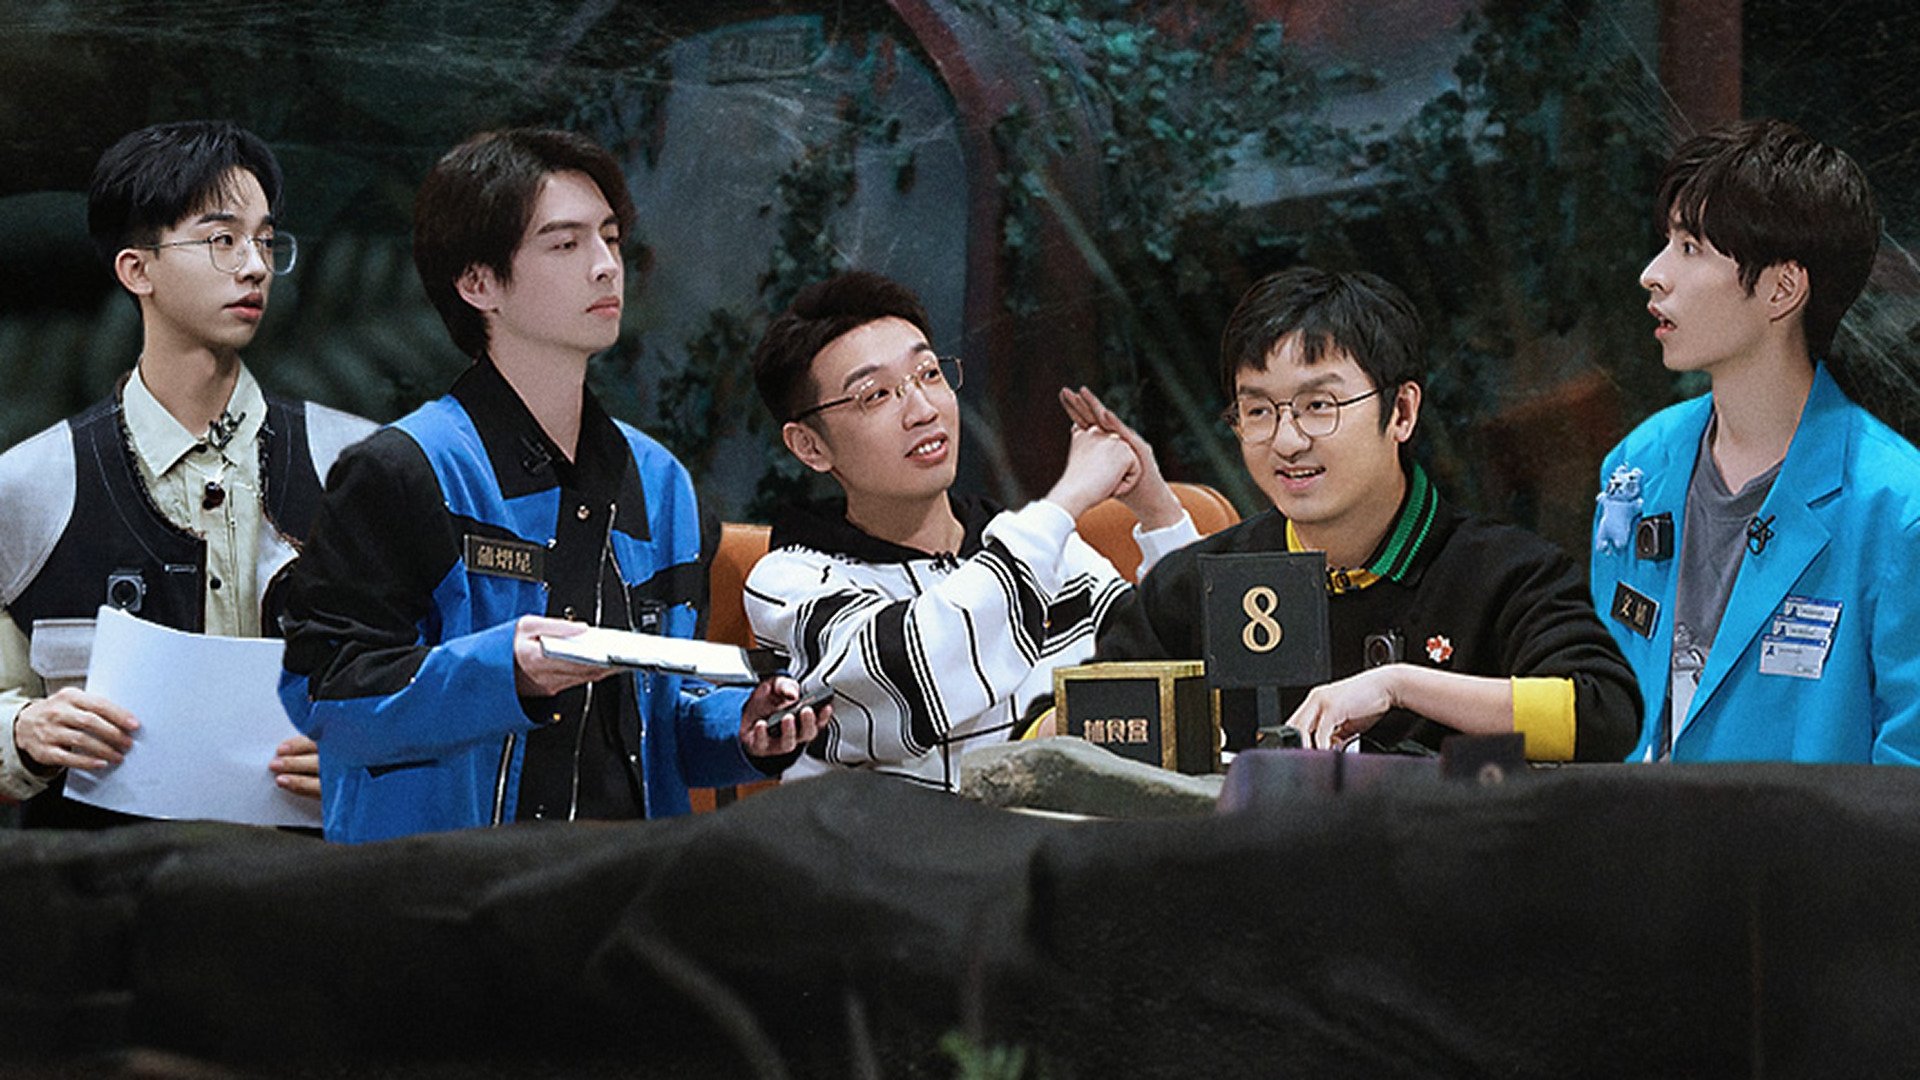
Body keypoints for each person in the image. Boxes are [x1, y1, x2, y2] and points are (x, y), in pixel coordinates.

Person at [277, 129, 823, 843]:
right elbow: (326, 695)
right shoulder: (403, 470)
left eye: (610, 238)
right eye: (565, 244)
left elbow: (665, 717)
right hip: (446, 885)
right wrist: (503, 671)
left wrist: (741, 727)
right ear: (479, 284)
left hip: (620, 879)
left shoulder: (659, 483)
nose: (605, 266)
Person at [1098, 267, 1640, 760]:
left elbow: (1604, 716)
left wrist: (1399, 686)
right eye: (1258, 411)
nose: (1287, 441)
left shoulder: (1504, 572)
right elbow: (1077, 732)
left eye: (1318, 406)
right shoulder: (1197, 583)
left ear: (1401, 411)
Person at [0, 120, 374, 826]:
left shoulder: (358, 467)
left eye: (266, 241)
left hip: (313, 881)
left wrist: (375, 760)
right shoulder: (30, 487)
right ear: (136, 270)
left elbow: (438, 688)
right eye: (222, 240)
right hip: (108, 883)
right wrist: (22, 731)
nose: (255, 266)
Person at [742, 270, 1199, 790]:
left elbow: (1179, 671)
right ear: (810, 446)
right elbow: (915, 673)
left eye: (929, 374)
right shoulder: (792, 581)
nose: (922, 410)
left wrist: (1157, 509)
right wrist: (1066, 500)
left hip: (1056, 836)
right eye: (876, 395)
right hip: (894, 842)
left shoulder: (1039, 547)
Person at [1591, 118, 1920, 763]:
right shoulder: (1638, 464)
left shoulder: (1897, 508)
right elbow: (1610, 708)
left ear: (1781, 288)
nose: (1653, 274)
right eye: (1667, 243)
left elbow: (1907, 779)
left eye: (1691, 247)